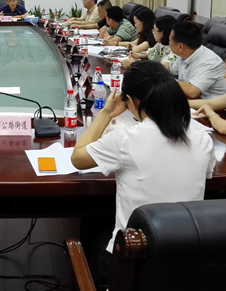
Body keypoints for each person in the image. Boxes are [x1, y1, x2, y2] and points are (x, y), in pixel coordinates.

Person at [71, 61, 215, 285]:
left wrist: (106, 113)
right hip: (184, 263)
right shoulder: (202, 138)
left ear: (131, 100)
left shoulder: (125, 138)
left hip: (132, 264)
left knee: (95, 234)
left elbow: (78, 158)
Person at [167, 21, 226, 99]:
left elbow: (192, 91)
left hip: (215, 105)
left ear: (180, 46)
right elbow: (172, 70)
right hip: (195, 101)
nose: (169, 43)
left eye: (170, 41)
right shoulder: (186, 54)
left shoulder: (209, 62)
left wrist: (165, 80)